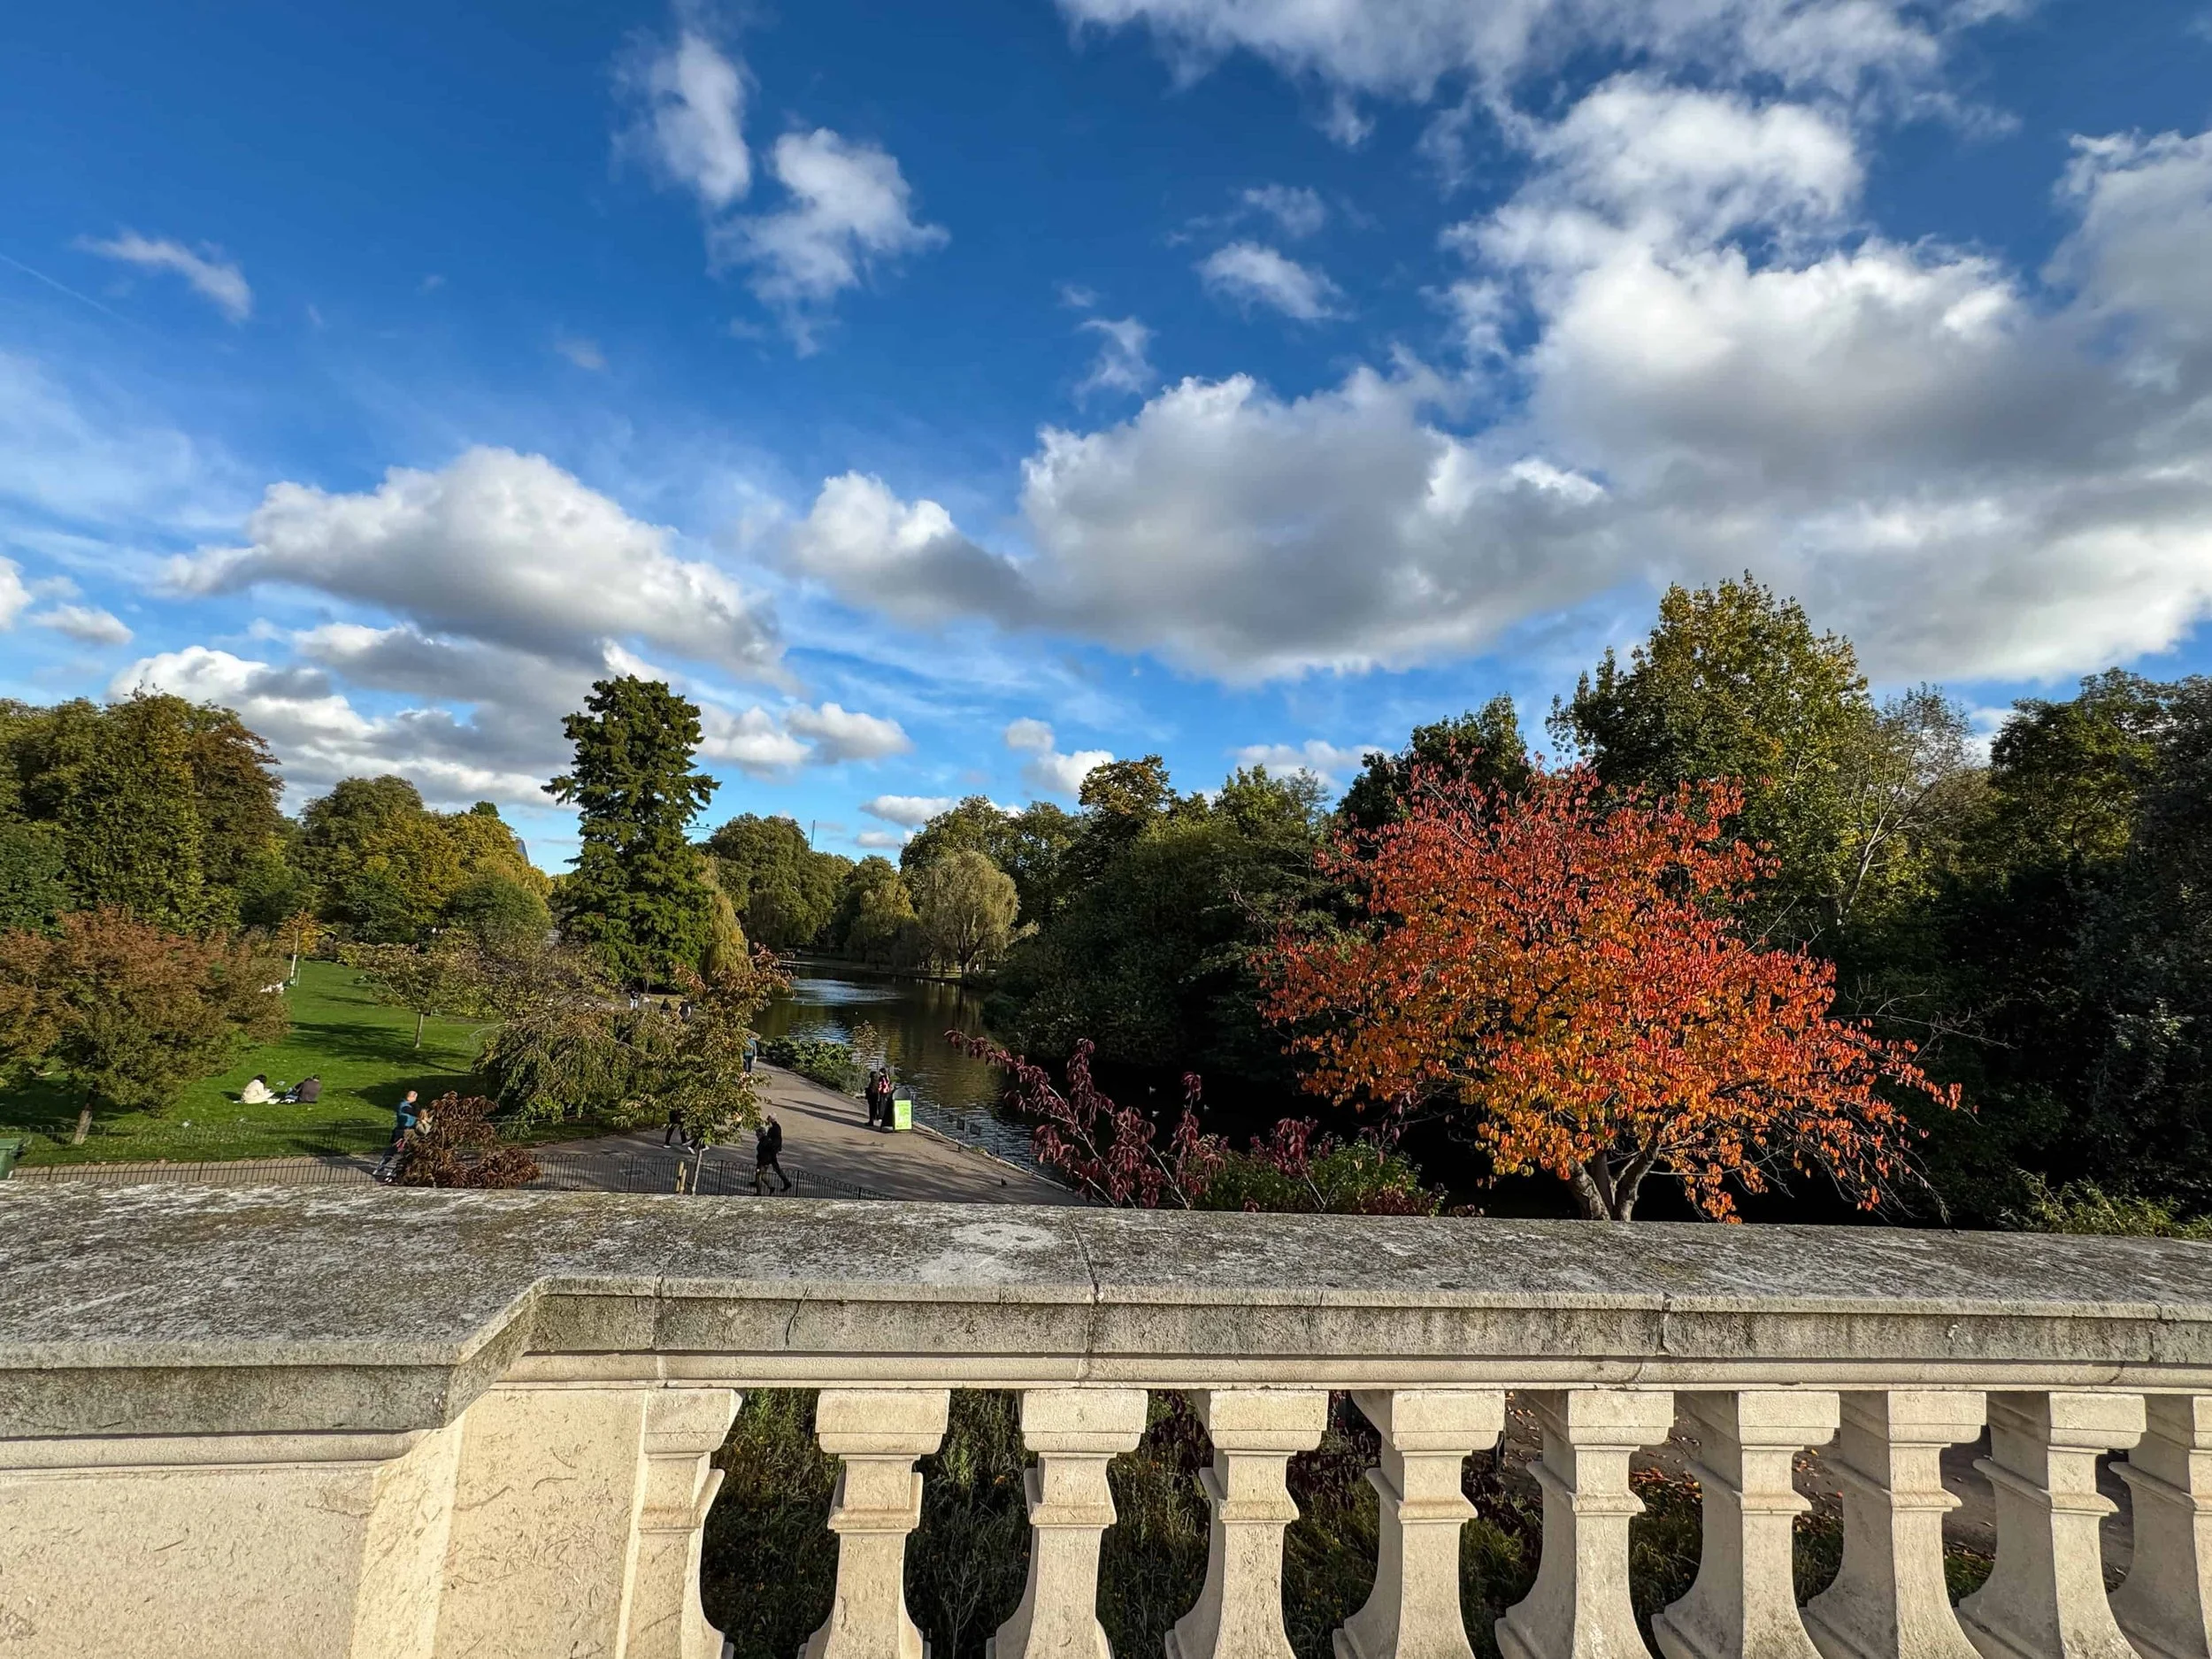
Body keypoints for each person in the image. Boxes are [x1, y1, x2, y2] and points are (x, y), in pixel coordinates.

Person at [374, 1089, 421, 1182]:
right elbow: (416, 1112)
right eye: (415, 1098)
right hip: (402, 1131)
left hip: (408, 1130)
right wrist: (416, 1105)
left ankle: (388, 1167)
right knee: (395, 1149)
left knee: (403, 1150)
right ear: (413, 1097)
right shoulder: (404, 1106)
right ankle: (382, 1167)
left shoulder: (406, 1105)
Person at [753, 1114, 791, 1194]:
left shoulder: (774, 1129)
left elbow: (777, 1140)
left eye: (768, 1119)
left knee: (771, 1170)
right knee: (768, 1171)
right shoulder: (775, 1128)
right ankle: (764, 1184)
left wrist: (775, 1149)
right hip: (771, 1152)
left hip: (771, 1153)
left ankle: (785, 1182)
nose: (767, 1120)